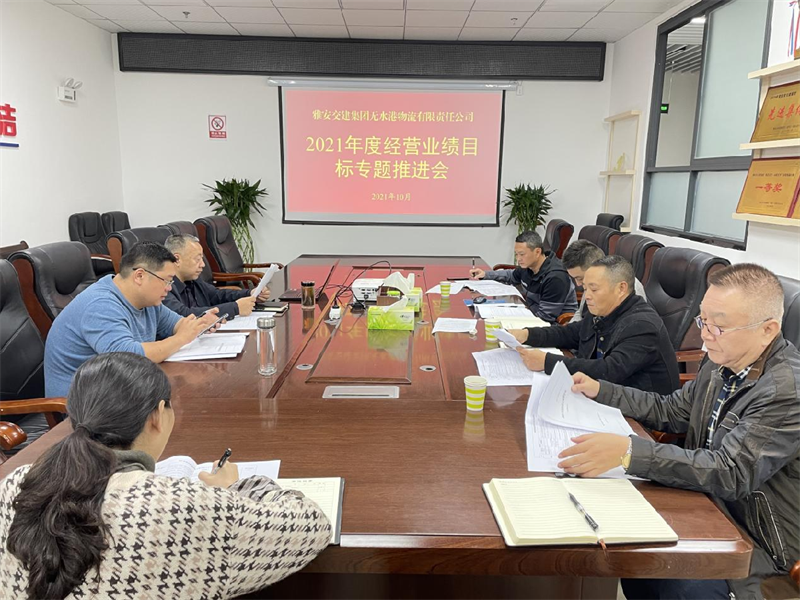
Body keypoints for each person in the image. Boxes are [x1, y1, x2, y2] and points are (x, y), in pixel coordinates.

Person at [0, 353, 331, 599]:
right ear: (158, 415)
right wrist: (235, 487)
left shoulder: (13, 485)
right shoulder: (180, 506)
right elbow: (311, 526)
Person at [557, 264, 800, 600]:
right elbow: (670, 410)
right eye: (703, 321)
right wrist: (602, 390)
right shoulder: (721, 361)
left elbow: (731, 472)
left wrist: (629, 452)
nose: (705, 335)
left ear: (767, 329)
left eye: (718, 326)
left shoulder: (786, 392)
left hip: (761, 545)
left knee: (673, 578)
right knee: (632, 553)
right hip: (706, 504)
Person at [44, 242, 220, 397]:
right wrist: (181, 338)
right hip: (83, 406)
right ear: (140, 276)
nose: (169, 288)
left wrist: (199, 324)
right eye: (167, 281)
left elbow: (178, 324)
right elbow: (128, 357)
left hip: (121, 390)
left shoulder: (148, 301)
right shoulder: (101, 304)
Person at [509, 255, 679, 394]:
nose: (587, 296)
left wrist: (547, 362)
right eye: (585, 288)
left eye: (594, 289)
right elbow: (570, 333)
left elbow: (609, 371)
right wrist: (527, 334)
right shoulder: (602, 310)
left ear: (621, 288)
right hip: (603, 397)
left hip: (638, 416)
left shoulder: (642, 325)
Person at [469, 231, 578, 324]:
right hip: (529, 313)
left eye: (522, 254)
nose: (518, 259)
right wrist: (485, 274)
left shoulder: (555, 278)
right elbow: (511, 276)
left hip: (555, 326)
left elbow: (545, 318)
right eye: (516, 254)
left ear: (537, 252)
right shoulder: (529, 266)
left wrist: (512, 321)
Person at [163, 233, 270, 318]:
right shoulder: (163, 286)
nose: (203, 264)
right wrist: (235, 308)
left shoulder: (192, 279)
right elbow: (183, 314)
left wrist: (250, 294)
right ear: (177, 259)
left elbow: (216, 295)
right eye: (197, 259)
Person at [561, 239, 647, 323]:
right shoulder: (592, 283)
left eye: (580, 278)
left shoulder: (631, 289)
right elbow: (581, 314)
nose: (578, 284)